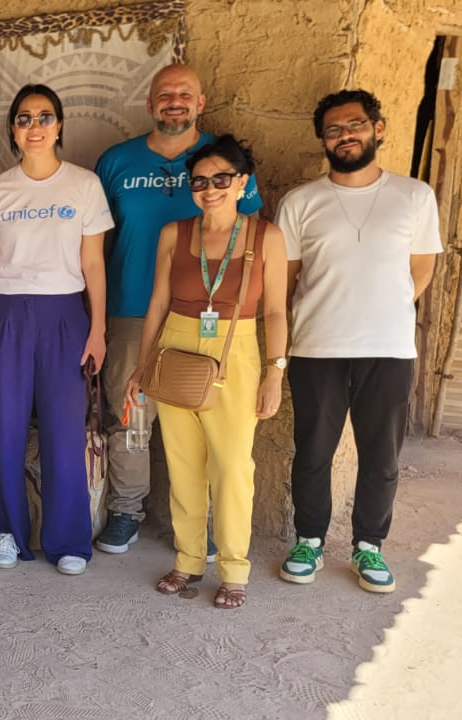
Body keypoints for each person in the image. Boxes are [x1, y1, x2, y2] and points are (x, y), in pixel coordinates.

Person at [92, 64, 263, 556]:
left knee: (206, 418)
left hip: (204, 314)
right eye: (164, 94)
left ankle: (201, 523)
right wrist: (96, 312)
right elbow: (96, 243)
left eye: (184, 94)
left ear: (201, 102)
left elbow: (250, 237)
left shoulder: (221, 161)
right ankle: (126, 510)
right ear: (149, 104)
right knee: (131, 415)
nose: (174, 101)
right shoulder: (116, 162)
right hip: (130, 307)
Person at [277, 89, 441, 594]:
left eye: (355, 125)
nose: (345, 135)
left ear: (379, 127)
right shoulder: (300, 202)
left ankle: (369, 545)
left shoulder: (415, 196)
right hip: (316, 347)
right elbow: (286, 280)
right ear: (322, 140)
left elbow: (420, 271)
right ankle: (309, 540)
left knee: (381, 456)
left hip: (389, 348)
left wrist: (381, 310)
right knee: (312, 453)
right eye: (333, 129)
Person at [125, 135, 289, 609]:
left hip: (235, 349)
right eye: (200, 181)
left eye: (221, 179)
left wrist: (275, 371)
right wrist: (141, 366)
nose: (210, 189)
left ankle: (234, 568)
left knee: (234, 465)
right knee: (182, 462)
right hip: (175, 343)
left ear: (242, 182)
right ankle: (189, 559)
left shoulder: (265, 236)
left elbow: (276, 310)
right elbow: (157, 302)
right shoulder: (176, 234)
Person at [0, 84, 111, 576]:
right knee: (6, 429)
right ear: (14, 128)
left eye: (44, 117)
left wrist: (97, 331)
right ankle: (7, 532)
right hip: (6, 316)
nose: (35, 126)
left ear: (59, 127)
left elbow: (93, 264)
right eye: (25, 118)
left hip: (65, 316)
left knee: (64, 432)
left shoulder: (84, 185)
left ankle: (69, 539)